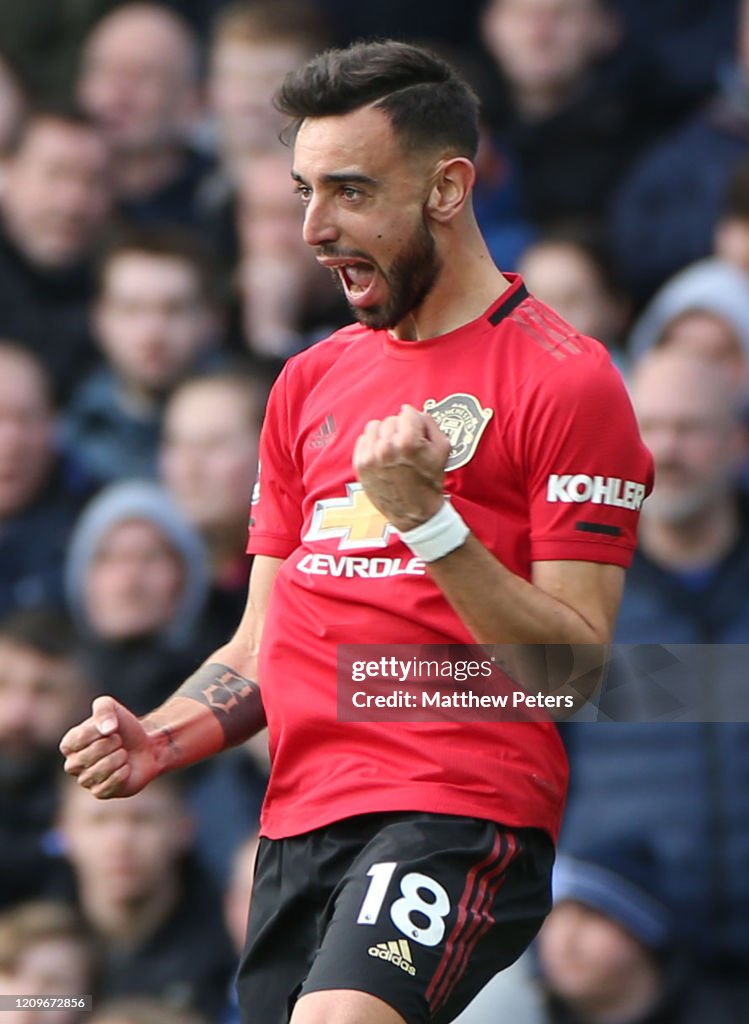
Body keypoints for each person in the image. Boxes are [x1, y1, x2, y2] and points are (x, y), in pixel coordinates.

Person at [61, 41, 653, 1024]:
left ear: (447, 189)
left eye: (348, 192)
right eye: (302, 190)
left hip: (455, 802)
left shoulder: (565, 380)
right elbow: (261, 644)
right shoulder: (307, 381)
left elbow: (571, 671)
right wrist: (158, 739)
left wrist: (429, 521)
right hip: (300, 818)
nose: (312, 227)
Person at [62, 227, 222, 488]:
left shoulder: (260, 425)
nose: (152, 334)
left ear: (212, 320)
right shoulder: (68, 437)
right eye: (132, 310)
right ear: (100, 320)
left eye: (174, 310)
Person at [0, 109, 112, 402]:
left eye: (93, 180)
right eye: (55, 174)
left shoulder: (127, 279)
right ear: (8, 173)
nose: (72, 202)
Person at [0, 609, 93, 909]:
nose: (18, 714)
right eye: (2, 686)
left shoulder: (107, 796)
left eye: (44, 691)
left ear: (84, 700)